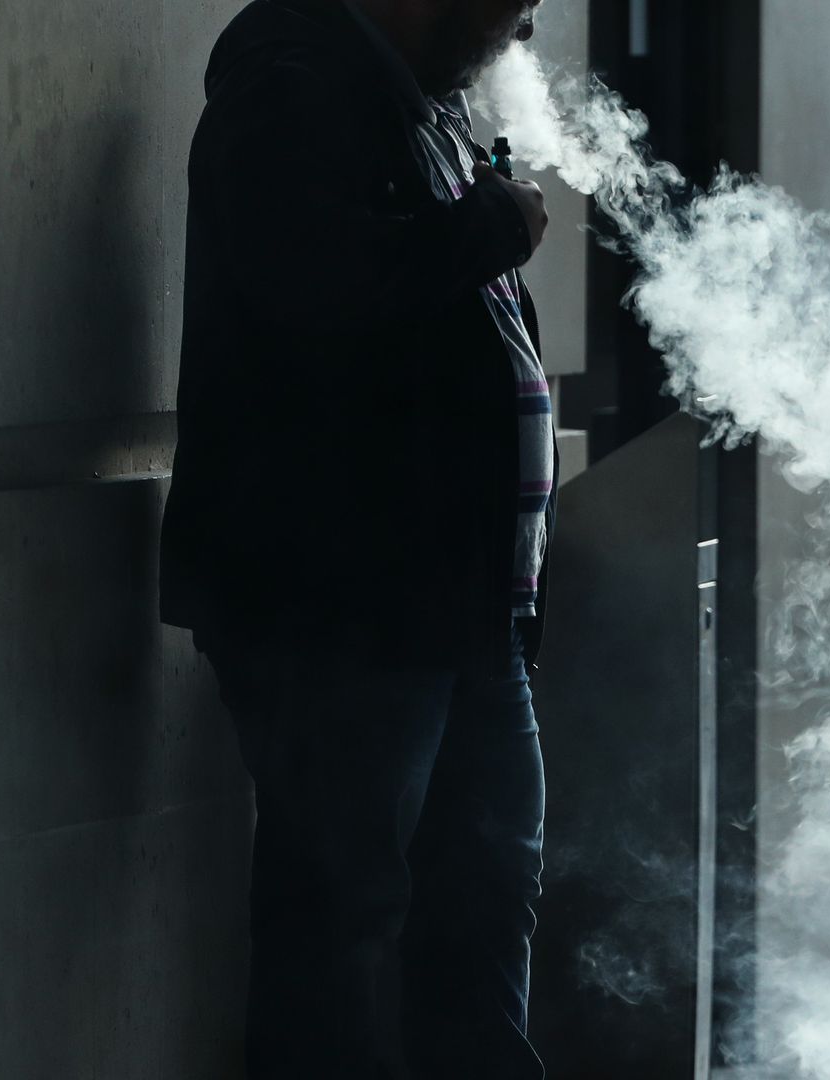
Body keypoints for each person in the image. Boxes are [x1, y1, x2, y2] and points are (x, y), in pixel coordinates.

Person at [158, 0, 554, 1075]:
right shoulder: (292, 87)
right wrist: (495, 226)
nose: (524, 23)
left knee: (482, 898)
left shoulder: (410, 103)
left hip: (452, 605)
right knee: (345, 923)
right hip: (347, 606)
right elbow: (324, 295)